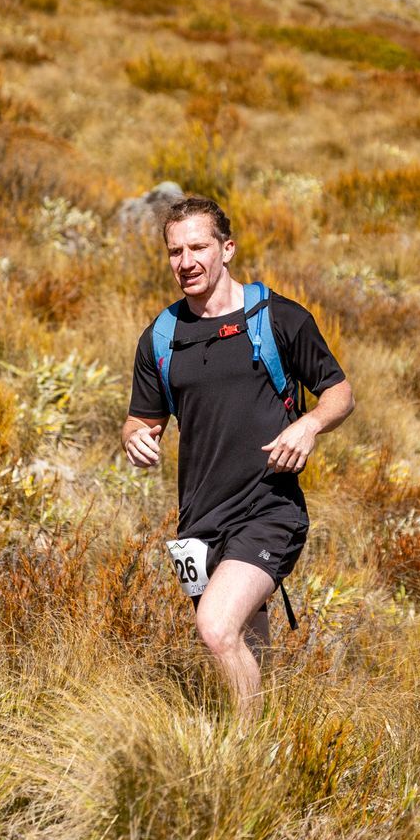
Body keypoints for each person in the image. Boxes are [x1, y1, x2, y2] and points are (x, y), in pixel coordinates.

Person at [122, 196, 353, 714]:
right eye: (175, 251)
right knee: (248, 643)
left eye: (198, 247)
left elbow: (340, 393)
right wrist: (134, 436)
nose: (186, 261)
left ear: (227, 248)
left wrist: (309, 426)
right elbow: (144, 418)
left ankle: (245, 758)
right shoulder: (161, 338)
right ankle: (274, 737)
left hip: (268, 508)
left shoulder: (277, 318)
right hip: (198, 523)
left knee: (216, 628)